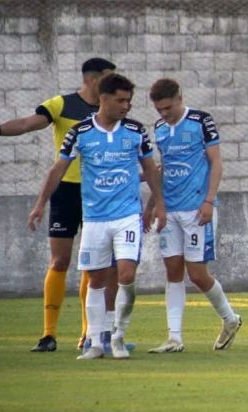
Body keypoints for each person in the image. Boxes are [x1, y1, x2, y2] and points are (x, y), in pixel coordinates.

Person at [0, 58, 120, 352]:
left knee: (93, 265)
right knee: (60, 260)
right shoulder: (62, 104)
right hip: (66, 191)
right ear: (94, 80)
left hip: (101, 193)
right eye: (110, 78)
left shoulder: (112, 111)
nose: (114, 84)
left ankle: (88, 334)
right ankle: (48, 334)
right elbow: (28, 123)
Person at [28, 73, 166, 360]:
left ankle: (117, 336)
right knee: (95, 279)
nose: (126, 106)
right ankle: (95, 341)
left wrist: (157, 205)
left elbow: (151, 169)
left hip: (126, 215)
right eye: (121, 100)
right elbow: (58, 170)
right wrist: (40, 203)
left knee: (126, 274)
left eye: (129, 100)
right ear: (103, 99)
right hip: (94, 218)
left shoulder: (136, 131)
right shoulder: (79, 133)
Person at [144, 78, 242, 354]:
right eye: (158, 109)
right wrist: (153, 204)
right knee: (172, 270)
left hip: (197, 209)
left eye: (167, 107)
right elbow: (162, 169)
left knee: (197, 274)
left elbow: (216, 162)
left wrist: (209, 201)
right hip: (171, 210)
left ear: (179, 98)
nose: (163, 114)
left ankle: (230, 319)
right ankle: (174, 338)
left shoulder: (201, 121)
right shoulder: (160, 129)